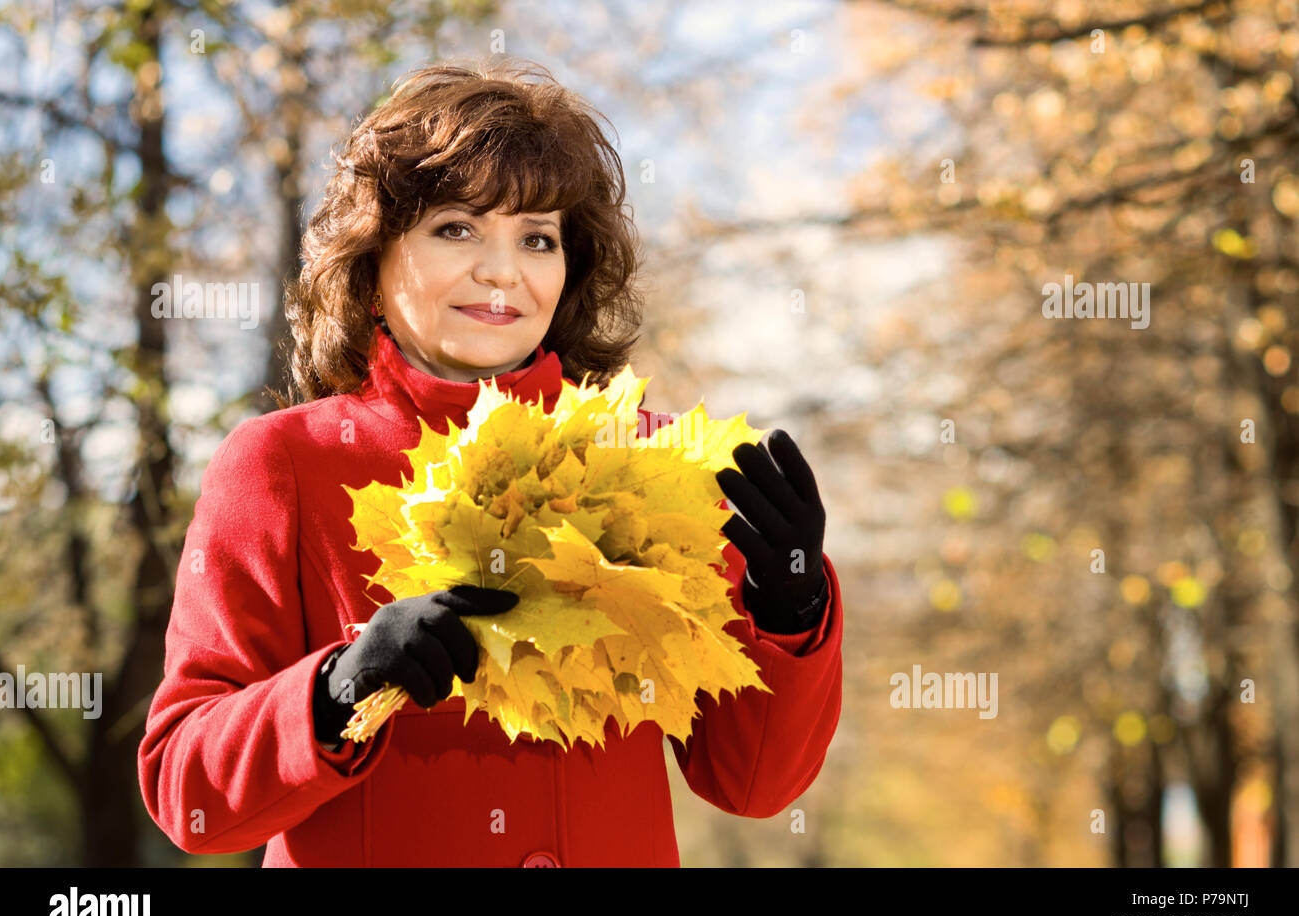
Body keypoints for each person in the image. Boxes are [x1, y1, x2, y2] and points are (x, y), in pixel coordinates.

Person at [137, 57, 844, 867]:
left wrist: (788, 611)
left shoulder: (656, 459)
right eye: (456, 228)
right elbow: (187, 796)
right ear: (372, 259)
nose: (502, 270)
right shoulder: (280, 463)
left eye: (537, 238)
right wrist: (335, 691)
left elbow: (752, 785)